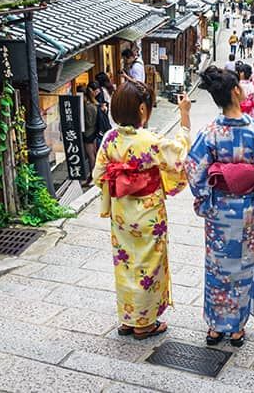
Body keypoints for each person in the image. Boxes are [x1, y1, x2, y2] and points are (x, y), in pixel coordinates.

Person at [184, 66, 254, 347]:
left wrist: (204, 197)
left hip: (218, 210)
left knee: (216, 266)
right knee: (241, 265)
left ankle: (215, 326)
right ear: (236, 91)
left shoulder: (210, 132)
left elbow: (194, 168)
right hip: (247, 210)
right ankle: (237, 327)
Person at [93, 81, 192, 339]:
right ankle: (144, 324)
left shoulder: (109, 139)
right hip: (149, 214)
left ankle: (128, 318)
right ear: (141, 109)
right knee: (149, 263)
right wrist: (184, 115)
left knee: (125, 264)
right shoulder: (151, 140)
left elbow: (98, 175)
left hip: (121, 213)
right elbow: (179, 156)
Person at [80, 83, 101, 186]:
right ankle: (94, 176)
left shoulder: (88, 106)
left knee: (91, 155)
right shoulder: (95, 104)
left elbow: (89, 123)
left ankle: (93, 176)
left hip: (89, 134)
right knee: (93, 154)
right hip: (94, 132)